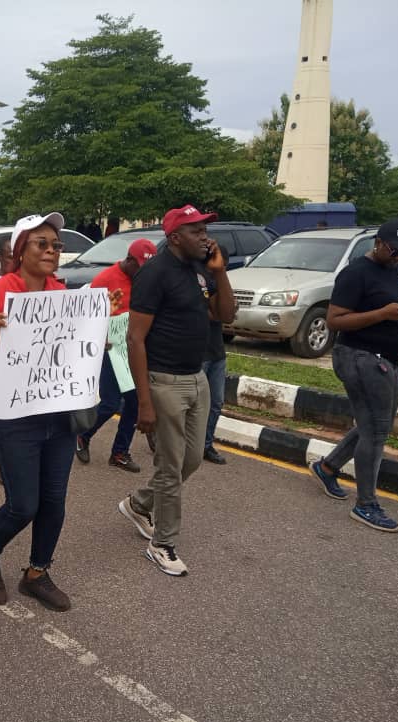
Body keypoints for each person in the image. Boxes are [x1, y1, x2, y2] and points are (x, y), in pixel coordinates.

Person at [0, 213, 76, 612]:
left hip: (58, 413)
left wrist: (102, 329)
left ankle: (37, 573)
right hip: (14, 416)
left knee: (54, 502)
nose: (51, 251)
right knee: (22, 504)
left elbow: (76, 354)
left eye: (56, 245)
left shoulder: (63, 294)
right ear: (19, 249)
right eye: (41, 243)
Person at [121, 205, 235, 577]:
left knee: (192, 460)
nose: (204, 237)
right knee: (171, 468)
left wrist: (220, 273)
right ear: (174, 238)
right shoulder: (155, 274)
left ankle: (139, 503)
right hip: (164, 380)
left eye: (205, 229)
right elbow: (135, 339)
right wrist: (144, 402)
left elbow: (226, 314)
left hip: (197, 376)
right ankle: (162, 544)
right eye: (195, 231)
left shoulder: (203, 268)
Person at [310, 218, 398, 533]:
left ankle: (327, 466)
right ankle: (366, 504)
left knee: (375, 424)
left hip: (392, 358)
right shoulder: (355, 273)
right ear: (380, 244)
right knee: (376, 430)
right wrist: (381, 314)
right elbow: (334, 320)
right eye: (395, 251)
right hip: (360, 357)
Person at [75, 238, 157, 473]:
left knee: (134, 402)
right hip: (109, 350)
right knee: (110, 402)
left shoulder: (144, 280)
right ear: (129, 260)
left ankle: (119, 452)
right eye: (141, 268)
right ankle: (83, 434)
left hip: (133, 349)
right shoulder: (105, 280)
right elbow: (87, 317)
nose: (144, 274)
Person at [202, 242, 231, 465]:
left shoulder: (220, 283)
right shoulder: (197, 281)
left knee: (216, 402)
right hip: (197, 353)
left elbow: (229, 312)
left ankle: (206, 444)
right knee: (191, 404)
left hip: (217, 351)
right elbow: (212, 313)